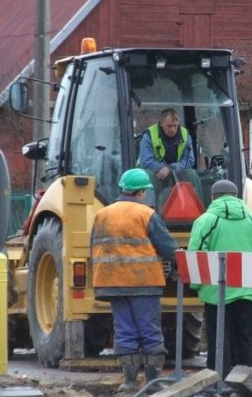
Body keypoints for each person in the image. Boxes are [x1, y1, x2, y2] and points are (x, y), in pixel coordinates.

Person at [90, 168, 177, 393]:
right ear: (141, 192)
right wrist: (179, 263)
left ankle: (128, 382)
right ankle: (151, 382)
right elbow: (167, 246)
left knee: (125, 330)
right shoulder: (145, 214)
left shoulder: (103, 214)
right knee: (149, 331)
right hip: (143, 282)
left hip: (111, 283)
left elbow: (95, 248)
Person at [187, 179, 252, 379]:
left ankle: (219, 380)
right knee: (246, 337)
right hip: (246, 290)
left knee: (218, 339)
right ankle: (247, 380)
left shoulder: (205, 221)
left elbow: (196, 255)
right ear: (237, 196)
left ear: (212, 197)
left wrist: (196, 285)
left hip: (215, 292)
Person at [138, 107, 195, 182]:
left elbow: (189, 161)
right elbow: (146, 162)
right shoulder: (149, 135)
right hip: (154, 174)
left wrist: (170, 168)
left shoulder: (185, 134)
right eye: (169, 126)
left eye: (175, 126)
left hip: (177, 172)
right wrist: (164, 168)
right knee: (148, 175)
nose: (173, 129)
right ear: (161, 124)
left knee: (192, 174)